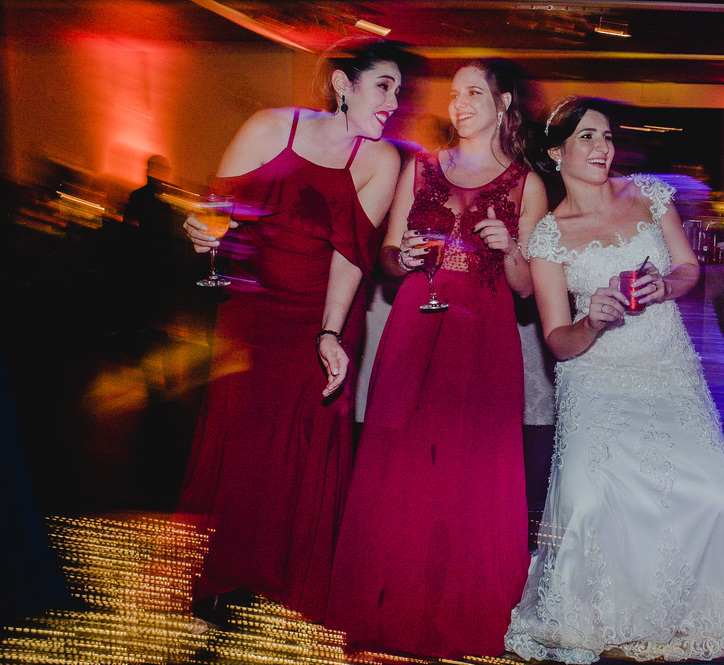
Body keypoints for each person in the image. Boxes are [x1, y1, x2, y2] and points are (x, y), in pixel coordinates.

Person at [505, 97, 724, 664]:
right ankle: (602, 616)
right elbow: (558, 340)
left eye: (607, 136)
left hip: (668, 369)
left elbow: (688, 268)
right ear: (557, 152)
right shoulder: (548, 236)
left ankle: (686, 614)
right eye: (587, 137)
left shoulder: (648, 194)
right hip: (595, 377)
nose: (603, 148)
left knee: (717, 492)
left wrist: (665, 287)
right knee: (590, 498)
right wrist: (592, 321)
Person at [178, 38, 413, 623]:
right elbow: (215, 210)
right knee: (242, 442)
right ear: (343, 84)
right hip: (253, 314)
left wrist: (329, 334)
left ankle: (283, 580)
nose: (394, 103)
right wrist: (201, 229)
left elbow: (352, 256)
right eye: (383, 86)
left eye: (398, 92)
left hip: (321, 315)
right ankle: (221, 574)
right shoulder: (268, 128)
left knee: (302, 445)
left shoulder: (382, 161)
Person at [327, 59, 547, 658]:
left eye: (474, 92)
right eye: (455, 93)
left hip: (483, 333)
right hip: (415, 324)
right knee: (402, 461)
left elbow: (527, 288)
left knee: (470, 468)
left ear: (503, 104)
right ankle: (387, 603)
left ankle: (462, 611)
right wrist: (405, 256)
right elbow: (387, 258)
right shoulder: (421, 167)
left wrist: (510, 249)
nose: (460, 103)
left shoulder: (526, 184)